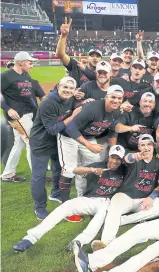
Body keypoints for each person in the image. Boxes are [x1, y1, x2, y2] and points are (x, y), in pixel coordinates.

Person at [13, 145, 126, 253]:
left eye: (118, 159)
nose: (114, 161)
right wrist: (92, 169)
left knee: (100, 216)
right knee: (66, 206)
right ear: (108, 156)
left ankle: (78, 242)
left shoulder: (124, 170)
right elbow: (76, 170)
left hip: (107, 202)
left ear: (122, 161)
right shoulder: (99, 165)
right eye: (112, 157)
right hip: (89, 199)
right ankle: (30, 238)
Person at [90, 134, 159, 251]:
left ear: (154, 146)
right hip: (126, 196)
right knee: (115, 207)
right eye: (143, 145)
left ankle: (123, 221)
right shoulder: (134, 158)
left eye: (149, 144)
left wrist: (152, 197)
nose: (146, 148)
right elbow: (127, 159)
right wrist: (133, 156)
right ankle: (105, 242)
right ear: (138, 147)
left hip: (144, 200)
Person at [58, 85, 124, 206]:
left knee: (91, 167)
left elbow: (113, 129)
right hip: (69, 136)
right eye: (113, 97)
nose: (116, 100)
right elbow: (71, 128)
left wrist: (112, 149)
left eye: (119, 98)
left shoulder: (117, 110)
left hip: (87, 137)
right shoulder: (92, 108)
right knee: (69, 169)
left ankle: (81, 198)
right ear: (106, 96)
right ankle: (65, 204)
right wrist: (89, 146)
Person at [29, 77, 79, 220]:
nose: (68, 91)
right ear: (58, 87)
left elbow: (75, 102)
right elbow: (51, 129)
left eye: (71, 88)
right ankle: (39, 208)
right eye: (65, 87)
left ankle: (55, 193)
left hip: (56, 141)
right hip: (40, 142)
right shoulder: (48, 103)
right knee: (39, 176)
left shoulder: (70, 98)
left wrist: (82, 101)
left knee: (58, 168)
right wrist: (73, 116)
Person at [1, 51, 38, 182]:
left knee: (19, 144)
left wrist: (36, 110)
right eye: (30, 62)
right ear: (21, 62)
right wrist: (7, 108)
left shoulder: (25, 75)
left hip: (27, 114)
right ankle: (37, 175)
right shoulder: (6, 76)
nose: (32, 65)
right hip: (18, 115)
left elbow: (27, 95)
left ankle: (8, 173)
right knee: (32, 142)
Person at [56, 17, 99, 87]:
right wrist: (63, 36)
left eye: (97, 56)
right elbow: (60, 54)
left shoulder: (102, 73)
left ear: (101, 59)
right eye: (92, 56)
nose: (95, 58)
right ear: (87, 57)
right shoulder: (76, 66)